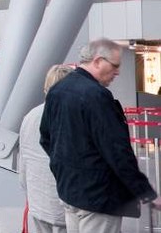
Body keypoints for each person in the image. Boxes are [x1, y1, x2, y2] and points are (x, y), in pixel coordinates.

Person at [41, 39, 161, 229]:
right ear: (97, 61)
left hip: (70, 192)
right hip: (99, 197)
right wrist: (144, 191)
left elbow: (46, 137)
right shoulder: (97, 96)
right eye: (115, 65)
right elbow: (117, 151)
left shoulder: (58, 91)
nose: (118, 71)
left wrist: (67, 169)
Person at [18, 64, 75, 233]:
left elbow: (24, 162)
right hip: (67, 204)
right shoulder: (72, 116)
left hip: (38, 201)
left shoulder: (30, 117)